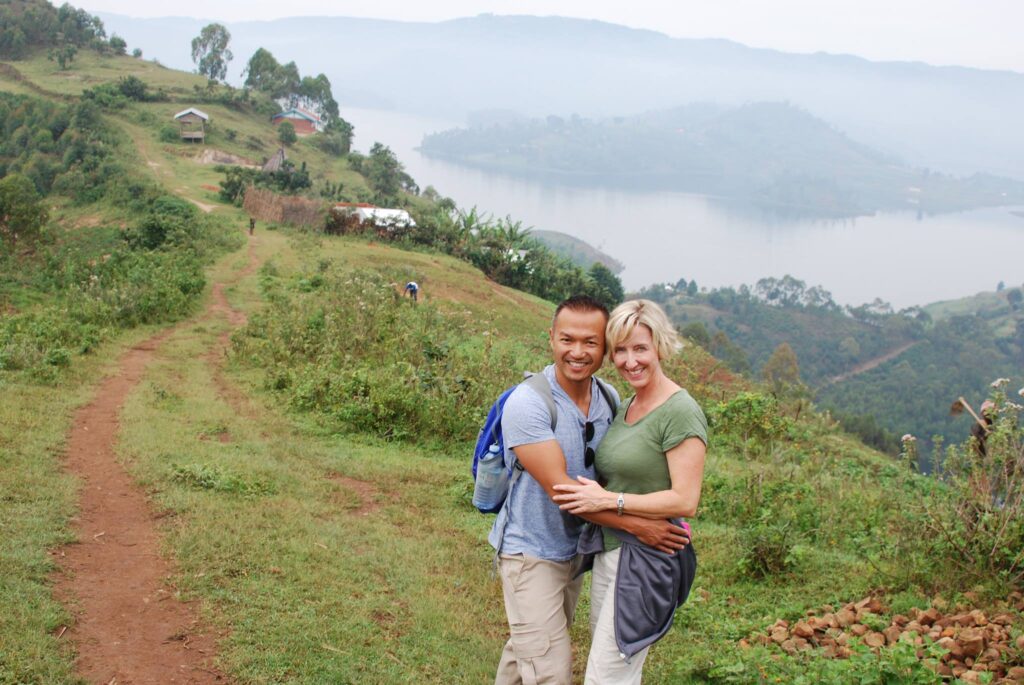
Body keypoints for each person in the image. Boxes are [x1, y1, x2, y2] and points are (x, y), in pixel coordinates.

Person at [492, 295, 691, 685]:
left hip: (578, 553)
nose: (578, 352)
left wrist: (666, 507)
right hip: (531, 553)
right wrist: (639, 525)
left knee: (526, 651)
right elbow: (562, 490)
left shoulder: (608, 398)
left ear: (604, 348)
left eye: (591, 342)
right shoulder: (529, 402)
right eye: (567, 340)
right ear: (551, 338)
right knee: (548, 669)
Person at [553, 299, 707, 684]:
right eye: (620, 350)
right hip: (612, 550)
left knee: (607, 675)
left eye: (640, 348)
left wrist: (609, 500)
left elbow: (685, 499)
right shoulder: (630, 403)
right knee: (614, 669)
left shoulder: (680, 410)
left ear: (660, 346)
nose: (629, 360)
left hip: (646, 559)